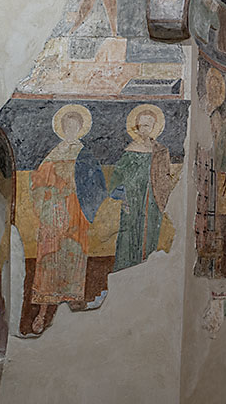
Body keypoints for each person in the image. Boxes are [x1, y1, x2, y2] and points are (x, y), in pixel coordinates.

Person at [29, 104, 106, 333]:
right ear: (62, 128)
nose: (71, 130)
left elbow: (98, 186)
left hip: (76, 213)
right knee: (49, 258)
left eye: (75, 126)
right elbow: (37, 183)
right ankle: (43, 311)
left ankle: (73, 303)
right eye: (67, 126)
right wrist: (53, 191)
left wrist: (79, 190)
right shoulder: (54, 153)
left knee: (74, 255)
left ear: (80, 128)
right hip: (53, 212)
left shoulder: (85, 154)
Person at [109, 104, 176, 271]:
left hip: (153, 200)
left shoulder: (160, 151)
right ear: (137, 127)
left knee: (150, 234)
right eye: (142, 125)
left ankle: (147, 271)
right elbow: (118, 177)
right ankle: (125, 271)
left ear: (154, 127)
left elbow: (165, 175)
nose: (145, 129)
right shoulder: (130, 151)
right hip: (132, 200)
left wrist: (165, 194)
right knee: (129, 235)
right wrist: (124, 195)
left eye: (149, 125)